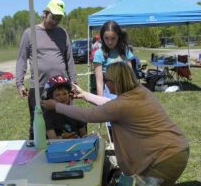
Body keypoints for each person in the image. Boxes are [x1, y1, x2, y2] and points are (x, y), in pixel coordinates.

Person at [41, 62, 189, 186]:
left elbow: (90, 115)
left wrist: (56, 106)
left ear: (115, 82)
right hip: (174, 151)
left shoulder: (122, 105)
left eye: (106, 80)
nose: (104, 83)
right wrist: (85, 95)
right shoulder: (139, 91)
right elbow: (110, 105)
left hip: (164, 159)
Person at [16, 0, 76, 140]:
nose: (56, 21)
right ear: (45, 13)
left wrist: (74, 83)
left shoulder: (62, 33)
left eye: (59, 18)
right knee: (39, 126)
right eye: (54, 17)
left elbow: (69, 59)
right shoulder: (29, 33)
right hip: (39, 88)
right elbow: (22, 59)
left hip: (61, 88)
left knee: (64, 124)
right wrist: (19, 83)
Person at [93, 20, 135, 97]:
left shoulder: (125, 51)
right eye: (106, 38)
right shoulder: (99, 54)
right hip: (109, 94)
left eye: (113, 38)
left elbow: (130, 76)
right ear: (102, 37)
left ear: (118, 37)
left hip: (126, 93)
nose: (109, 42)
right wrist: (100, 102)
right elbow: (99, 81)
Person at [42, 75, 87, 139]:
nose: (62, 97)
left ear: (69, 94)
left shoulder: (75, 112)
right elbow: (53, 139)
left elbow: (84, 135)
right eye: (58, 95)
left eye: (65, 94)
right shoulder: (48, 116)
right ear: (51, 97)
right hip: (59, 147)